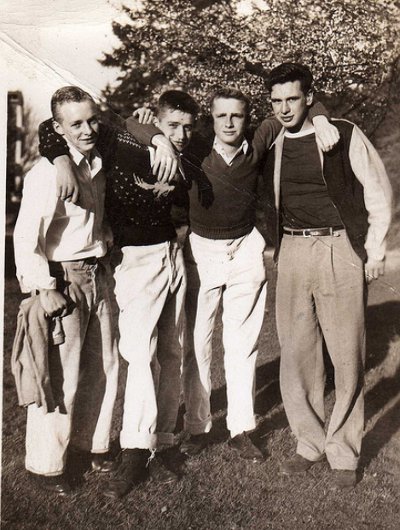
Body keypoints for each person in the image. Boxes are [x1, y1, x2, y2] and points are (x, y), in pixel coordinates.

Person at [126, 88, 339, 461]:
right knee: (198, 343)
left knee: (243, 344)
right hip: (201, 252)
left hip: (245, 250)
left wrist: (320, 117)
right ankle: (197, 425)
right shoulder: (191, 147)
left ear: (247, 118)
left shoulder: (258, 143)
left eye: (236, 116)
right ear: (211, 117)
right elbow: (129, 124)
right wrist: (157, 137)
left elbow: (307, 101)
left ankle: (241, 427)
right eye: (221, 116)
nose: (228, 123)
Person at [38, 90, 199, 499]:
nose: (180, 134)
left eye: (186, 126)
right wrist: (60, 160)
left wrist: (166, 148)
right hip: (133, 260)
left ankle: (161, 441)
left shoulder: (187, 147)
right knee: (138, 355)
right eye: (172, 126)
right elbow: (51, 127)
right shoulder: (118, 139)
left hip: (172, 254)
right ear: (154, 122)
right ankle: (133, 449)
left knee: (172, 352)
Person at [263, 63, 392, 489]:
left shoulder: (343, 133)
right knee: (297, 352)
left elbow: (377, 193)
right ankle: (309, 443)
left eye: (293, 99)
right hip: (292, 249)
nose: (284, 108)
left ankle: (343, 451)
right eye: (277, 100)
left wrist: (373, 251)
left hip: (339, 248)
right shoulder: (272, 139)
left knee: (345, 353)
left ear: (309, 96)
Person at [13, 86, 119, 496]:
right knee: (61, 378)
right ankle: (46, 466)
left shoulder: (97, 163)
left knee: (104, 367)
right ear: (58, 128)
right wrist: (43, 288)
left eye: (92, 119)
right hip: (64, 281)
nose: (88, 128)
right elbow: (26, 238)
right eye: (76, 123)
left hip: (97, 274)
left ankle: (90, 446)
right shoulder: (46, 173)